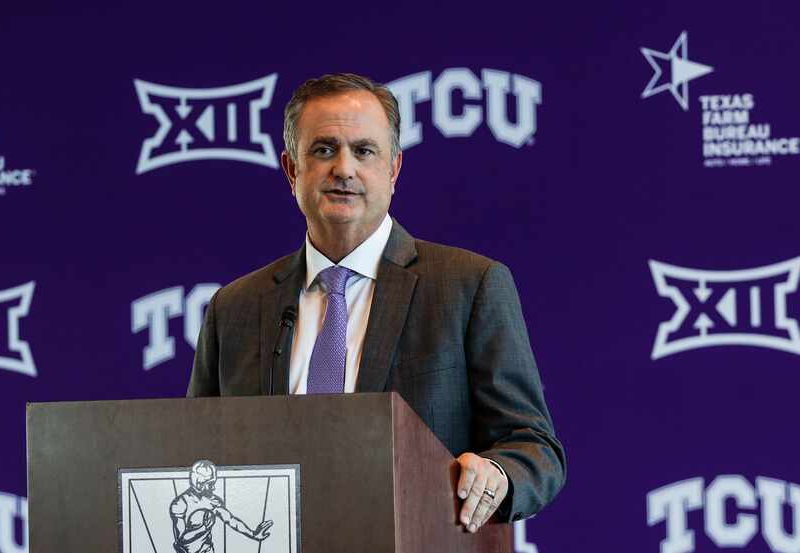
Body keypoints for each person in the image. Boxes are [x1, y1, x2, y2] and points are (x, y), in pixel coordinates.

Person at [188, 73, 566, 532]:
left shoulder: (469, 285)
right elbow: (196, 457)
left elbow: (533, 448)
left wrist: (498, 475)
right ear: (291, 170)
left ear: (393, 170)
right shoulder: (235, 308)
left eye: (364, 151)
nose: (343, 169)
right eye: (324, 149)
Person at [170, 460, 273, 553]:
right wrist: (203, 528)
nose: (214, 488)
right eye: (210, 484)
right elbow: (181, 538)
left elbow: (231, 520)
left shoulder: (213, 501)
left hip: (207, 550)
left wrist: (253, 534)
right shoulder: (180, 504)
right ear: (199, 484)